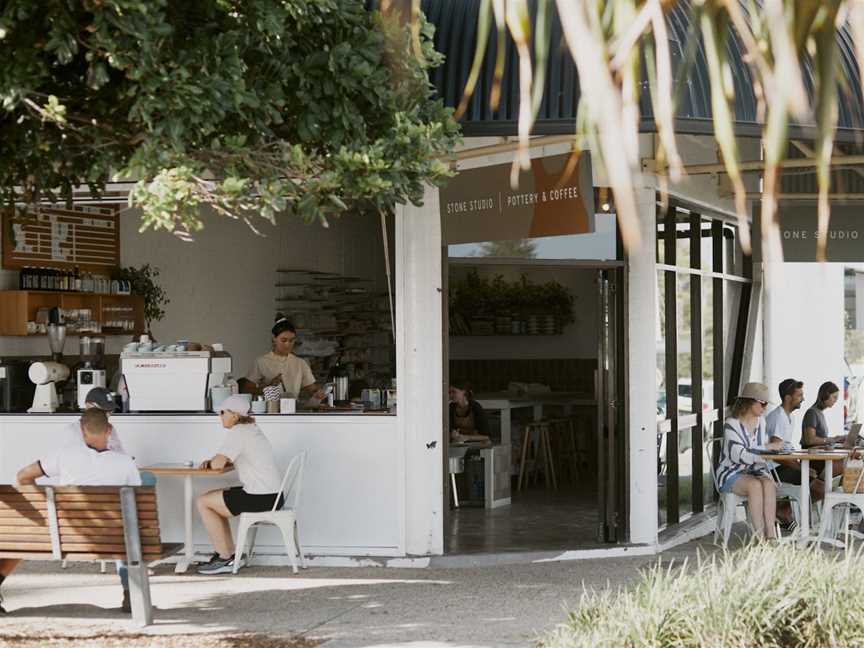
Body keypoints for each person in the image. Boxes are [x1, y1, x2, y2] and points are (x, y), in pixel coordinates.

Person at [0, 408, 142, 614]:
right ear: (109, 430)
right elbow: (135, 506)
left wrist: (42, 508)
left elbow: (23, 476)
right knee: (126, 533)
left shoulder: (64, 455)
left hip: (62, 537)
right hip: (109, 537)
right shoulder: (125, 463)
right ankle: (131, 594)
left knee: (24, 537)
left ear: (83, 431)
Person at [195, 395, 285, 575]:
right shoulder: (250, 429)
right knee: (213, 498)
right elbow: (226, 460)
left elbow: (218, 464)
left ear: (235, 415)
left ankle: (225, 557)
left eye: (222, 412)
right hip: (273, 495)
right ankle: (228, 555)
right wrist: (215, 461)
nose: (219, 416)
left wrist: (212, 461)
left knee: (204, 502)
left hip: (260, 498)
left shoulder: (239, 432)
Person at [716, 382, 778, 540]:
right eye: (762, 403)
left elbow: (759, 449)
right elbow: (739, 455)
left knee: (769, 483)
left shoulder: (761, 422)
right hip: (731, 472)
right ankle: (759, 538)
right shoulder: (731, 425)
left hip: (754, 470)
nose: (765, 408)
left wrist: (769, 449)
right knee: (755, 486)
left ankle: (771, 535)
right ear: (750, 402)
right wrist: (766, 450)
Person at [239, 314, 325, 403]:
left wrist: (318, 392)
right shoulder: (261, 362)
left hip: (293, 410)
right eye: (283, 340)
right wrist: (268, 388)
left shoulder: (300, 363)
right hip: (271, 410)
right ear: (274, 339)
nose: (287, 344)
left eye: (291, 340)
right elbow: (246, 389)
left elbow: (311, 388)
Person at [64, 387, 126, 452]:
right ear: (89, 406)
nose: (108, 415)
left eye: (110, 411)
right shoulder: (72, 432)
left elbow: (120, 454)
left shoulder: (109, 428)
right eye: (104, 411)